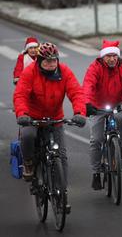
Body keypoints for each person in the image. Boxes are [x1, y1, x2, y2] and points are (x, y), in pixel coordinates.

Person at [14, 42, 86, 191]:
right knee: (27, 136)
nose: (52, 64)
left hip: (54, 118)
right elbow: (20, 95)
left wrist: (79, 113)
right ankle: (29, 164)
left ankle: (62, 192)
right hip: (32, 118)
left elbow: (76, 93)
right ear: (39, 61)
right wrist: (22, 114)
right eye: (47, 61)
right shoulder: (29, 72)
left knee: (61, 154)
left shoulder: (64, 71)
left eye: (54, 60)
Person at [82, 39, 122, 190]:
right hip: (97, 106)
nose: (112, 59)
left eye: (114, 56)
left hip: (117, 102)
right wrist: (87, 104)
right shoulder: (94, 68)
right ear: (103, 57)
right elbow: (87, 86)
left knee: (121, 118)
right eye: (108, 56)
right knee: (96, 139)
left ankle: (121, 147)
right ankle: (96, 173)